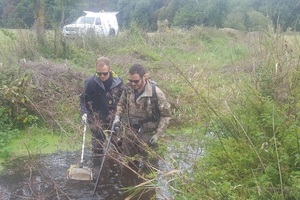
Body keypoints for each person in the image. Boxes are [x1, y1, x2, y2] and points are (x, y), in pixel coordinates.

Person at [113, 64, 171, 161]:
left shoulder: (156, 93)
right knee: (127, 163)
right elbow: (121, 104)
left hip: (148, 135)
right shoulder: (128, 89)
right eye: (130, 81)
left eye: (136, 81)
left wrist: (158, 134)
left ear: (144, 77)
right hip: (130, 132)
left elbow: (166, 115)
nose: (133, 84)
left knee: (150, 167)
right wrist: (117, 117)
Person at [80, 57, 123, 158]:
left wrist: (120, 116)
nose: (102, 76)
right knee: (97, 147)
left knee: (118, 145)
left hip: (113, 118)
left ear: (110, 70)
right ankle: (97, 167)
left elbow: (123, 101)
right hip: (95, 118)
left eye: (104, 73)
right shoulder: (90, 83)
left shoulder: (118, 83)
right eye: (99, 73)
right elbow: (83, 100)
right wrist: (84, 113)